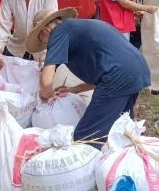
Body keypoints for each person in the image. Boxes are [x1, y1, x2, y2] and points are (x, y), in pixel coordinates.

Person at [25, 8, 151, 146]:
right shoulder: (79, 29)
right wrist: (75, 89)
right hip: (137, 69)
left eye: (44, 42)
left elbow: (46, 82)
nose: (47, 46)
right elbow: (103, 70)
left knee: (87, 136)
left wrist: (46, 95)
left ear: (45, 30)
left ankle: (91, 157)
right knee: (121, 129)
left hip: (118, 76)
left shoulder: (59, 32)